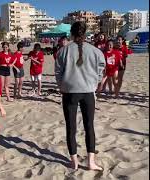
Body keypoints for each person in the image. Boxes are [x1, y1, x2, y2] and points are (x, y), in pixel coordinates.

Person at [55, 21, 105, 171]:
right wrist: (94, 83)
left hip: (70, 92)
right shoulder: (96, 51)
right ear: (85, 33)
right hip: (88, 91)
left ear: (72, 33)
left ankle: (74, 162)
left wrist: (62, 86)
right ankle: (90, 162)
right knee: (89, 126)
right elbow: (101, 69)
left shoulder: (64, 50)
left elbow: (58, 72)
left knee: (71, 127)